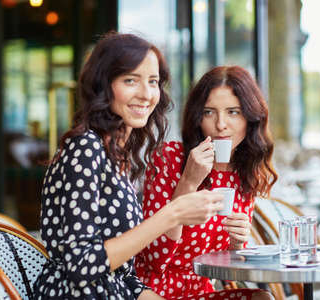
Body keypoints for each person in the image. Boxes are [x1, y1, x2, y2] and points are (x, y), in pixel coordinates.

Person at [33, 32, 225, 300]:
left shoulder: (116, 156)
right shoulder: (84, 148)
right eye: (131, 80)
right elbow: (81, 267)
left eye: (153, 81)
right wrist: (173, 213)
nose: (146, 94)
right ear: (103, 84)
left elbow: (121, 276)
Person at [135, 65, 278, 299]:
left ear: (251, 118)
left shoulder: (245, 174)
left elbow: (226, 272)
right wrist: (188, 182)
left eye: (233, 112)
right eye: (209, 112)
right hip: (152, 291)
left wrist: (236, 245)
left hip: (199, 292)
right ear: (197, 118)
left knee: (262, 297)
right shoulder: (169, 158)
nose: (221, 124)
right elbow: (155, 260)